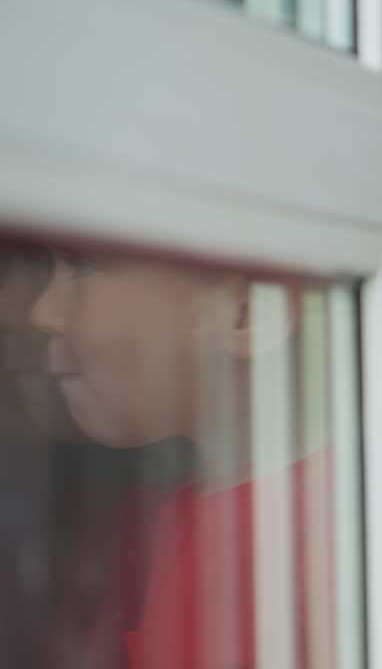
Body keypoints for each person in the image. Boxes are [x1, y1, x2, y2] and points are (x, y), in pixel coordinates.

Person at [28, 243, 333, 669]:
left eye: (83, 268)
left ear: (243, 312)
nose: (41, 311)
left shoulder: (349, 521)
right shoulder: (167, 514)